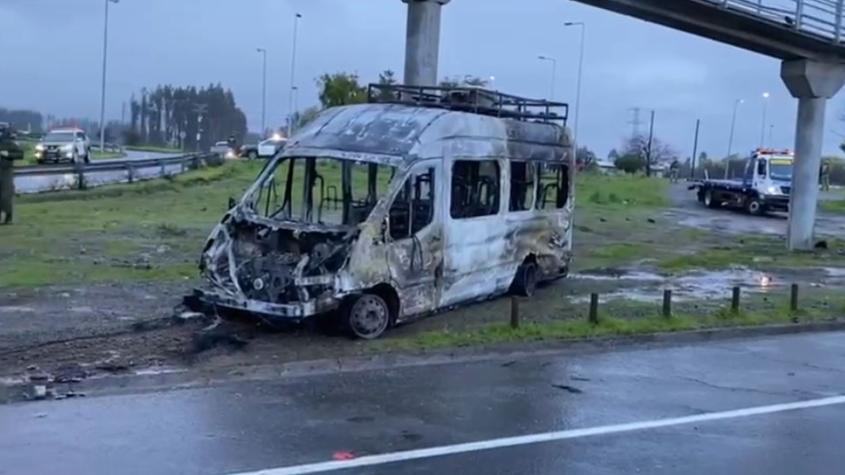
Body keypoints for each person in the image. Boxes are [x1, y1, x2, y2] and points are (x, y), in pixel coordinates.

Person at [0, 125, 23, 224]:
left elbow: (20, 154)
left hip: (6, 171)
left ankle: (8, 217)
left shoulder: (9, 143)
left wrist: (8, 154)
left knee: (6, 195)